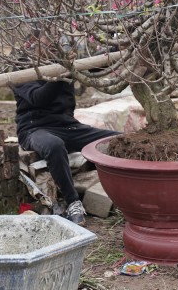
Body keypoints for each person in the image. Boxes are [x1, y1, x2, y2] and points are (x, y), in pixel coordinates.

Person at [13, 79, 117, 225]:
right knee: (54, 145)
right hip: (34, 129)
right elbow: (38, 99)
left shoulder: (62, 62)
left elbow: (92, 70)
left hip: (67, 126)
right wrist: (59, 78)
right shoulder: (22, 68)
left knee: (117, 140)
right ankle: (73, 203)